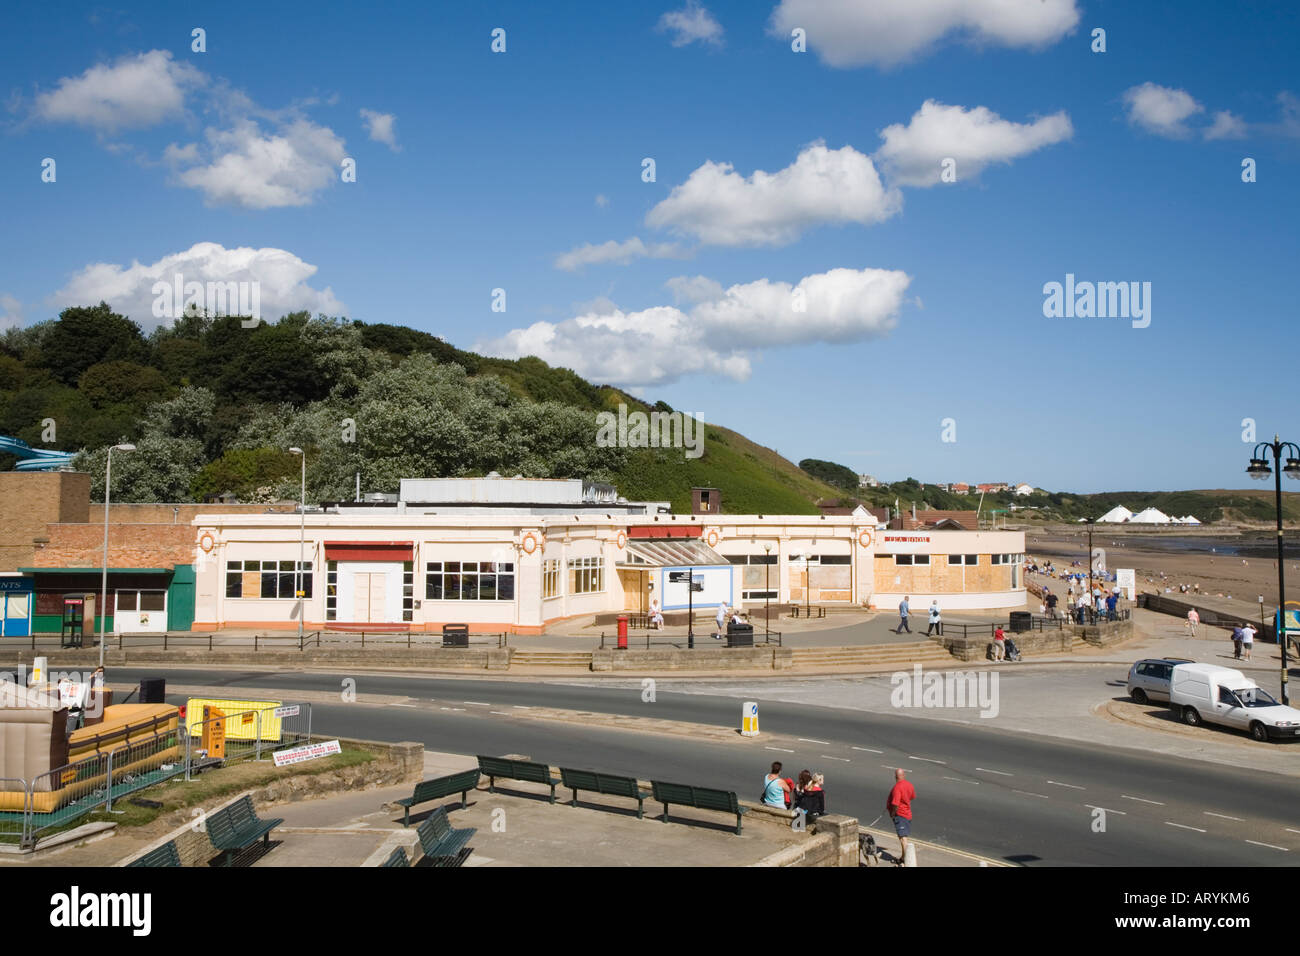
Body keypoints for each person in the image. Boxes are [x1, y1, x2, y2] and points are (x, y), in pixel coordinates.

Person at [885, 768, 916, 864]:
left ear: (895, 777)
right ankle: (903, 857)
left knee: (903, 838)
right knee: (903, 837)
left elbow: (895, 803)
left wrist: (892, 813)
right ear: (904, 775)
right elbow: (912, 796)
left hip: (900, 815)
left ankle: (907, 860)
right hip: (907, 814)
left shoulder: (897, 788)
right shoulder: (909, 785)